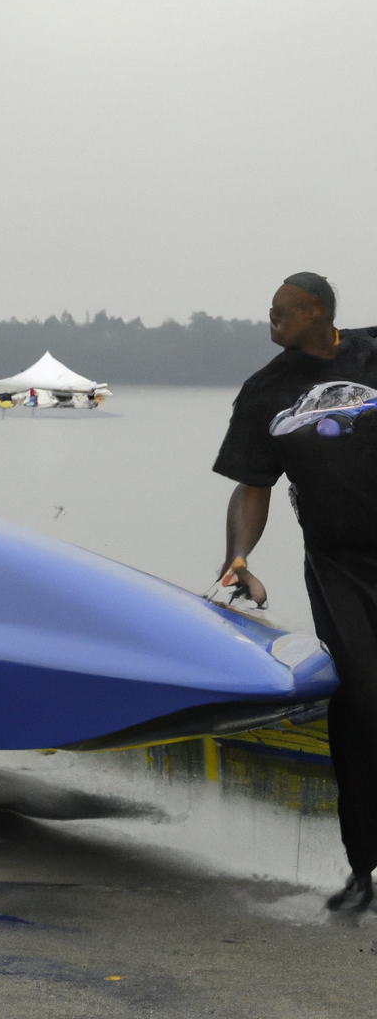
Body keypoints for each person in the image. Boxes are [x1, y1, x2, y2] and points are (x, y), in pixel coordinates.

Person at [213, 272, 377, 911]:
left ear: (317, 311)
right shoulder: (265, 392)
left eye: (282, 311)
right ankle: (363, 867)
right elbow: (252, 485)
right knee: (363, 699)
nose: (271, 320)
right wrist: (238, 556)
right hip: (340, 566)